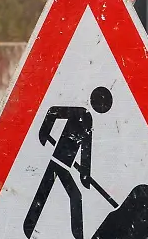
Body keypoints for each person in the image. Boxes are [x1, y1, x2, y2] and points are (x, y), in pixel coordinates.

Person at [23, 87, 113, 239]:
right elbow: (53, 112)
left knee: (53, 193)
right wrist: (44, 133)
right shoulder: (79, 113)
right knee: (67, 195)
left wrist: (85, 176)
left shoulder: (87, 120)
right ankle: (28, 227)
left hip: (63, 165)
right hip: (56, 161)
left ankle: (28, 226)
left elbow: (86, 150)